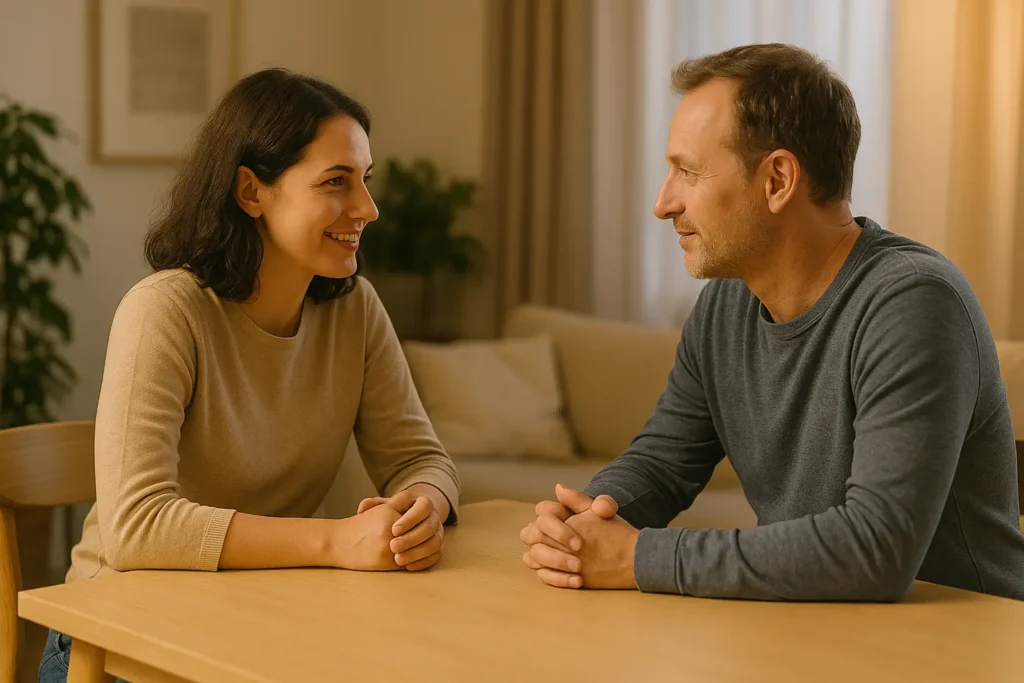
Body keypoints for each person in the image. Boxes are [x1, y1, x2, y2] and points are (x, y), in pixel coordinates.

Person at [520, 43, 1024, 602]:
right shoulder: (725, 306)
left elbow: (876, 550)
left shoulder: (913, 302)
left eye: (688, 172)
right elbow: (663, 463)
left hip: (960, 645)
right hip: (813, 632)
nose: (663, 203)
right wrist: (585, 520)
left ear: (779, 179)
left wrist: (638, 556)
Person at [38, 68, 460, 682]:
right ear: (251, 192)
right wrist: (335, 542)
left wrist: (422, 506)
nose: (367, 208)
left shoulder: (354, 308)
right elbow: (137, 527)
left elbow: (422, 457)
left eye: (365, 181)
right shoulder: (164, 310)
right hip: (118, 645)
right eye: (336, 182)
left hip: (260, 626)